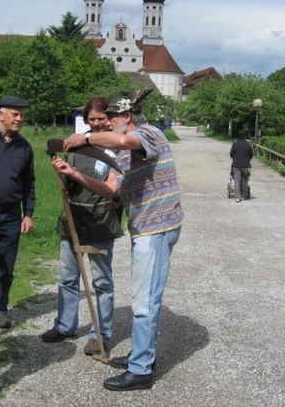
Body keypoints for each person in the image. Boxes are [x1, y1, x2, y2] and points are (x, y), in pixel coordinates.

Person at [62, 89, 184, 391]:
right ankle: (143, 355)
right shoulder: (128, 152)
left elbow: (119, 140)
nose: (103, 126)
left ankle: (141, 369)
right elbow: (111, 189)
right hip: (146, 229)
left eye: (110, 120)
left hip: (155, 230)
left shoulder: (148, 134)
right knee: (147, 298)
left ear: (126, 117)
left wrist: (86, 139)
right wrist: (75, 174)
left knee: (144, 301)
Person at [41, 97, 123, 358]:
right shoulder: (76, 143)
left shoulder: (119, 148)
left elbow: (113, 189)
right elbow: (70, 182)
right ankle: (65, 326)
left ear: (110, 118)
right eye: (92, 119)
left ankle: (101, 335)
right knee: (67, 278)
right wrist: (61, 170)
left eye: (102, 118)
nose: (97, 123)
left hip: (100, 220)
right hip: (72, 216)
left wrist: (75, 175)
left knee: (101, 283)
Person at [0, 95, 35, 329]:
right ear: (1, 114)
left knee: (5, 265)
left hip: (11, 216)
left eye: (22, 114)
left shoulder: (24, 147)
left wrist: (28, 213)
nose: (20, 119)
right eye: (15, 114)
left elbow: (29, 184)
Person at [230, 129, 253, 202]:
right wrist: (248, 160)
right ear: (245, 136)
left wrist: (234, 158)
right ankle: (244, 196)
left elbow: (231, 154)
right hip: (245, 165)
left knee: (237, 181)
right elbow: (251, 154)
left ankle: (237, 197)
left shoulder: (235, 144)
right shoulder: (248, 145)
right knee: (244, 181)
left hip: (236, 165)